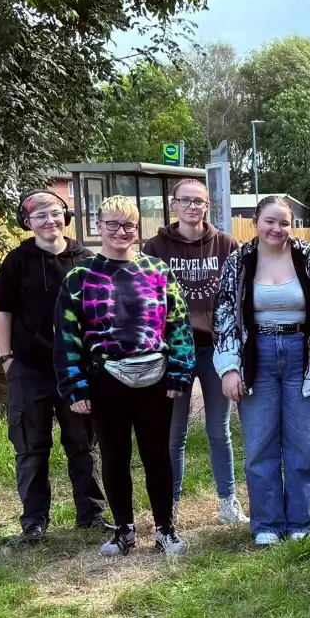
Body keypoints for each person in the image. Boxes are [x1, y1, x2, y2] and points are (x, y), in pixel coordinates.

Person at [53, 195, 195, 557]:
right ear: (98, 227)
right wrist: (74, 386)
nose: (121, 231)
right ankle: (124, 531)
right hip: (105, 379)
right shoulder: (80, 277)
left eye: (128, 224)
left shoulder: (157, 270)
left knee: (157, 455)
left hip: (155, 377)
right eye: (112, 224)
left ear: (137, 228)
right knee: (114, 456)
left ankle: (164, 529)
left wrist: (180, 374)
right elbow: (67, 337)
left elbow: (179, 325)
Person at [214, 195, 310, 545]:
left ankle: (301, 522)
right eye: (269, 221)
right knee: (260, 445)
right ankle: (267, 524)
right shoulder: (239, 261)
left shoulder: (309, 258)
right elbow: (224, 315)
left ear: (292, 225)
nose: (277, 228)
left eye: (284, 222)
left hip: (301, 354)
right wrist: (229, 367)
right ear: (256, 222)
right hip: (257, 357)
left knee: (303, 444)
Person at [0, 190, 106, 543]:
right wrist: (8, 359)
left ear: (66, 216)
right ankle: (33, 522)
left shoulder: (86, 259)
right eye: (40, 216)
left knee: (82, 445)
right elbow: (2, 312)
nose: (49, 221)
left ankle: (91, 515)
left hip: (76, 370)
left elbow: (100, 314)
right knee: (31, 447)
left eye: (55, 213)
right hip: (29, 368)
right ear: (28, 222)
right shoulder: (17, 261)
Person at [142, 178, 245, 526]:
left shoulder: (227, 245)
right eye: (184, 200)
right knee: (175, 433)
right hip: (175, 352)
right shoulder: (155, 247)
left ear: (207, 206)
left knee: (219, 429)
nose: (191, 206)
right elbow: (148, 301)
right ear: (174, 204)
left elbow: (238, 296)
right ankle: (170, 505)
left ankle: (228, 502)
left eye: (198, 201)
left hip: (217, 350)